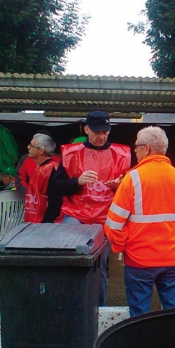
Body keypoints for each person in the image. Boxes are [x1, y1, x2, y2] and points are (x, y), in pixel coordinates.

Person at [104, 126, 175, 316]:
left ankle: (141, 345)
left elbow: (113, 225)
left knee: (139, 315)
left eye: (136, 147)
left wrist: (123, 247)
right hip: (172, 259)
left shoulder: (132, 179)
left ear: (146, 148)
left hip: (139, 261)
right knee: (173, 311)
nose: (135, 151)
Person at [52, 111, 131, 305]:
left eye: (105, 131)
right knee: (74, 262)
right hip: (75, 215)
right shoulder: (71, 153)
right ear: (86, 129)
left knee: (100, 266)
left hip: (105, 217)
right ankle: (73, 305)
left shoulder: (121, 155)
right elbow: (56, 187)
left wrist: (118, 186)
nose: (101, 136)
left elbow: (131, 190)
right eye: (97, 131)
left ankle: (98, 307)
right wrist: (77, 181)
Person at [23, 133, 62, 223]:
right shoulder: (41, 168)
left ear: (41, 151)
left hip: (45, 225)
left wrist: (45, 223)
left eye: (31, 146)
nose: (28, 147)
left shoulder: (52, 170)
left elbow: (55, 201)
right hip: (35, 222)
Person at [15, 129, 60, 196]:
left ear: (42, 149)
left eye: (32, 145)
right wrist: (29, 194)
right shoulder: (25, 158)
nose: (28, 147)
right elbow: (20, 179)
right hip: (30, 199)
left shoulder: (58, 160)